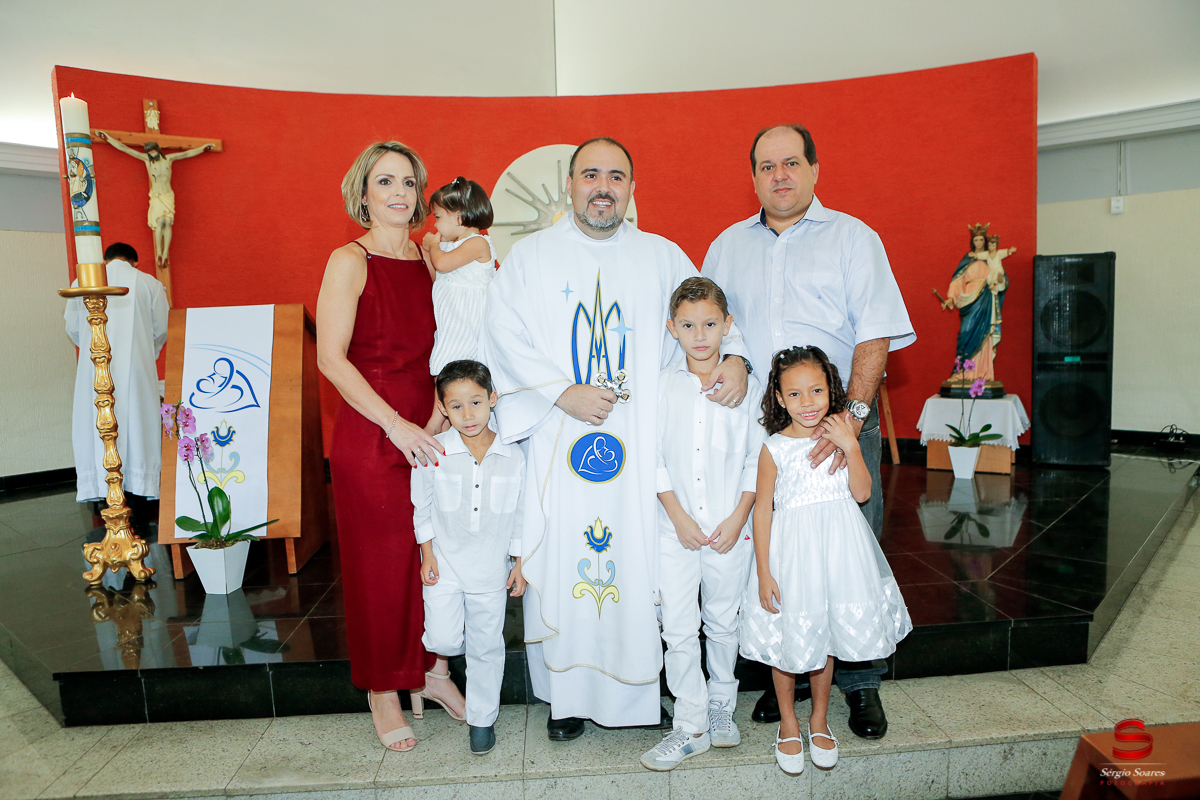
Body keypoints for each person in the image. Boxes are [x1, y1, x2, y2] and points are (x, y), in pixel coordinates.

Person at [480, 137, 751, 741]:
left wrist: (736, 359)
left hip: (641, 443)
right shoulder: (529, 259)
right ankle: (567, 699)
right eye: (591, 175)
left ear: (631, 188)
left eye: (616, 176)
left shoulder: (662, 256)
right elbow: (501, 332)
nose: (603, 187)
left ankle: (638, 693)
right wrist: (561, 392)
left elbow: (710, 319)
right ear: (571, 183)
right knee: (563, 561)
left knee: (638, 562)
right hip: (560, 437)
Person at [701, 123, 915, 738]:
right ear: (753, 177)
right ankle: (787, 671)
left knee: (850, 553)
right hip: (761, 432)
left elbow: (874, 332)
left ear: (815, 169)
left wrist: (852, 418)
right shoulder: (726, 247)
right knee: (776, 551)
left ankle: (861, 681)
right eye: (767, 166)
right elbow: (712, 327)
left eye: (791, 163)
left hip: (836, 424)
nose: (780, 176)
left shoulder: (853, 238)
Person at [316, 141, 465, 752]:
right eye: (385, 181)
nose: (400, 193)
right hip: (372, 427)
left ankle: (431, 672)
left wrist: (440, 410)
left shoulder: (429, 258)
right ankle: (382, 688)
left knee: (433, 556)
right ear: (363, 193)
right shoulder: (349, 260)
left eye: (408, 182)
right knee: (380, 564)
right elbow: (331, 358)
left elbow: (451, 336)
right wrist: (395, 424)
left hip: (430, 424)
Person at [740, 346, 912, 775]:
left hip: (838, 553)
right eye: (795, 394)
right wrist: (764, 572)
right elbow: (763, 512)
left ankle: (819, 718)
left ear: (831, 390)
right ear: (779, 398)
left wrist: (850, 444)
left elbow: (862, 493)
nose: (807, 402)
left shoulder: (839, 436)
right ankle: (789, 721)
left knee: (826, 635)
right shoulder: (774, 448)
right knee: (787, 637)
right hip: (792, 556)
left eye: (816, 390)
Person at [641, 277, 762, 772]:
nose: (699, 336)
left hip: (730, 527)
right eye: (688, 326)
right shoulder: (661, 385)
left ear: (727, 325)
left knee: (723, 620)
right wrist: (677, 515)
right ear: (672, 328)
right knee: (678, 626)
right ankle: (689, 723)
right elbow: (651, 456)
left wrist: (738, 517)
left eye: (710, 324)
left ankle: (720, 706)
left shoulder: (746, 387)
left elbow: (756, 458)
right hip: (675, 528)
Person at [413, 360, 527, 756]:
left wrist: (519, 563)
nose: (468, 414)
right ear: (443, 408)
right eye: (456, 406)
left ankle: (481, 720)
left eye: (476, 402)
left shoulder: (513, 455)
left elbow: (521, 514)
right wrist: (427, 553)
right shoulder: (434, 451)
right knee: (443, 638)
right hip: (444, 565)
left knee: (486, 647)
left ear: (492, 398)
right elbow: (422, 506)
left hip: (491, 569)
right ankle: (434, 677)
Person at [65, 242, 169, 521]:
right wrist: (146, 353)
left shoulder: (81, 282)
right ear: (134, 262)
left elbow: (72, 328)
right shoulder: (148, 283)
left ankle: (103, 491)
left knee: (96, 424)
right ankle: (140, 490)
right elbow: (161, 328)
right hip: (137, 372)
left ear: (106, 260)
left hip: (95, 369)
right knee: (138, 424)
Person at [95, 132, 215, 293]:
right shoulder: (146, 160)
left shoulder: (169, 159)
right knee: (160, 222)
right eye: (149, 152)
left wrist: (203, 148)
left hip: (167, 195)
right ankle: (159, 251)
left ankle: (165, 254)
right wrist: (108, 139)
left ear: (158, 150)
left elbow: (187, 153)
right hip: (157, 195)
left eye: (153, 151)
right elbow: (126, 149)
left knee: (168, 222)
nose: (151, 154)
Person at [421, 178, 498, 377]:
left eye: (438, 217)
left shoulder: (477, 243)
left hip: (468, 323)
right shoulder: (450, 246)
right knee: (444, 371)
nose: (435, 225)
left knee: (461, 371)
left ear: (458, 218)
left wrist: (433, 245)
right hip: (451, 323)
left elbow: (442, 263)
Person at [940, 225, 1012, 382]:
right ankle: (961, 373)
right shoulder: (968, 259)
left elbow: (1002, 281)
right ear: (972, 241)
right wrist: (951, 297)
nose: (979, 242)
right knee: (966, 333)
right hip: (969, 300)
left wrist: (1000, 281)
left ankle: (983, 374)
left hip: (986, 299)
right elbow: (957, 281)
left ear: (985, 241)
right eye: (976, 240)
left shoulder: (991, 258)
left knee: (985, 336)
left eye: (981, 239)